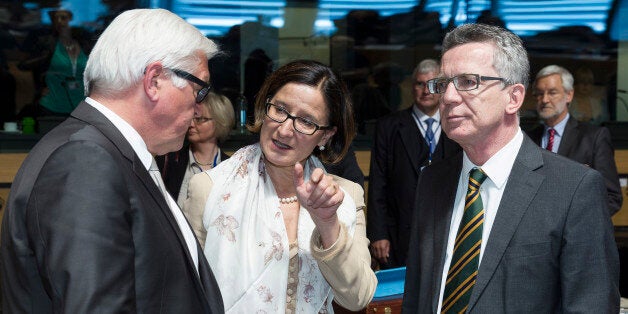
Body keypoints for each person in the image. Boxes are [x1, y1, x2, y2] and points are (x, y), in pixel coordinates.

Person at [1, 9, 224, 313]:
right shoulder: (85, 160)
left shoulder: (109, 151)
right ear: (154, 80)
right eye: (199, 90)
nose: (199, 109)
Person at [402, 24, 619, 313]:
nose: (449, 97)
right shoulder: (432, 181)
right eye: (443, 84)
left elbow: (591, 305)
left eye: (468, 82)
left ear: (514, 97)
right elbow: (417, 297)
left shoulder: (574, 189)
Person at [185, 60, 377, 312]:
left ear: (326, 135)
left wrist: (328, 224)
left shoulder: (344, 197)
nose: (285, 130)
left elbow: (357, 298)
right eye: (279, 110)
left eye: (306, 122)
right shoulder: (210, 188)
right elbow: (185, 292)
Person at [367, 59, 461, 269]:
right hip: (398, 235)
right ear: (412, 87)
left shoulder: (457, 126)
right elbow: (378, 184)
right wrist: (378, 234)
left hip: (446, 231)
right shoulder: (388, 127)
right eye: (420, 84)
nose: (426, 90)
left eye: (433, 84)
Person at [527, 65, 622, 216]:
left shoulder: (594, 137)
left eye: (552, 93)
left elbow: (612, 197)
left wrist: (575, 224)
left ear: (569, 95)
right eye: (539, 94)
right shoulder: (527, 139)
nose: (544, 100)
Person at [157, 91, 235, 207]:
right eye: (191, 118)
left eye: (199, 119)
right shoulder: (168, 160)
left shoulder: (232, 167)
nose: (191, 124)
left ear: (220, 121)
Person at [18, 8, 91, 115]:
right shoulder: (47, 44)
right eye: (56, 19)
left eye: (64, 18)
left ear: (73, 20)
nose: (60, 21)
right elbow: (23, 65)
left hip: (82, 102)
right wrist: (45, 58)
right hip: (53, 100)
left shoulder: (85, 44)